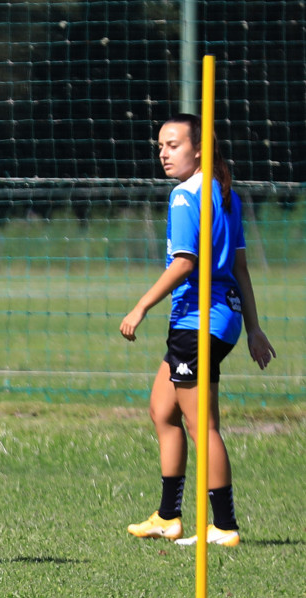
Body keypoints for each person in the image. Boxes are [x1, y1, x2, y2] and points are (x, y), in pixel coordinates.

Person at [120, 113, 276, 547]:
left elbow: (184, 262)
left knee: (200, 424)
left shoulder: (186, 196)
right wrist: (253, 328)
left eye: (173, 145)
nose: (164, 154)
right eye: (160, 147)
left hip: (198, 320)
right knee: (161, 409)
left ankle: (224, 526)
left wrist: (141, 306)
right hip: (222, 319)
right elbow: (240, 269)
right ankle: (169, 517)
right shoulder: (225, 193)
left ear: (199, 149)